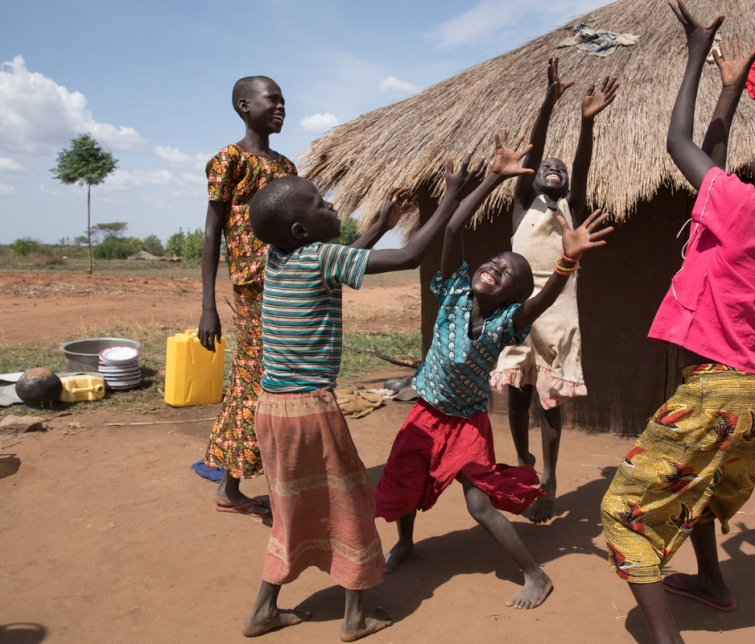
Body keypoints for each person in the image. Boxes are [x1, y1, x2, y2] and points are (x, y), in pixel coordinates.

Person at [599, 3, 755, 643]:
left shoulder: (743, 209)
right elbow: (711, 163)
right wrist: (731, 88)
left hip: (715, 390)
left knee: (624, 513)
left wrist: (695, 51)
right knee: (702, 491)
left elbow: (679, 145)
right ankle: (713, 583)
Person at [239, 156, 485, 640]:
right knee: (352, 503)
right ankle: (355, 617)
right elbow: (411, 256)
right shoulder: (320, 257)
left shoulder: (281, 256)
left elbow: (338, 258)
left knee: (290, 509)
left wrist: (379, 224)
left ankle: (263, 610)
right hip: (310, 409)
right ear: (300, 228)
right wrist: (451, 194)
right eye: (318, 203)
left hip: (270, 409)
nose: (329, 204)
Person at [375, 131, 614, 609]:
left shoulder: (508, 324)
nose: (494, 268)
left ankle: (535, 575)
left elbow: (543, 299)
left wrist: (566, 261)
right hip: (424, 411)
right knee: (405, 481)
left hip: (465, 424)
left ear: (511, 296)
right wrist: (489, 180)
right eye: (493, 262)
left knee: (479, 504)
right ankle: (405, 542)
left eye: (506, 273)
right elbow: (450, 231)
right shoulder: (454, 291)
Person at [197, 76, 397, 517]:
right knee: (262, 378)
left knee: (269, 381)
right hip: (255, 286)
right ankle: (256, 487)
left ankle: (268, 484)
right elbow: (213, 233)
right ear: (243, 105)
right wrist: (208, 305)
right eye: (272, 99)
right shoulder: (227, 161)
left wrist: (376, 228)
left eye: (284, 99)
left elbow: (313, 244)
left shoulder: (286, 167)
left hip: (292, 280)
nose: (281, 106)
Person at [490, 58, 619, 523]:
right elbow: (533, 150)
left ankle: (549, 476)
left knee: (548, 402)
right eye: (545, 166)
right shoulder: (522, 206)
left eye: (558, 170)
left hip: (560, 309)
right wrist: (549, 101)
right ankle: (524, 463)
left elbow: (580, 166)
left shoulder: (572, 208)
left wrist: (586, 125)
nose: (553, 168)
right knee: (518, 396)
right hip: (520, 308)